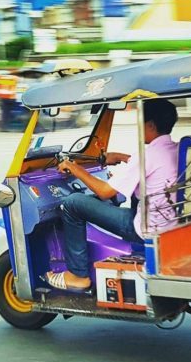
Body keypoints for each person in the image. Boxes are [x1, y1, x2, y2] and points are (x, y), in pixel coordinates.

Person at [46, 98, 179, 292]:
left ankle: (78, 275)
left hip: (144, 227)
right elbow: (148, 166)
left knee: (72, 203)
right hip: (169, 222)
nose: (139, 129)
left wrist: (73, 167)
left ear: (150, 125)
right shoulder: (173, 149)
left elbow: (105, 191)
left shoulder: (147, 155)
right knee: (106, 199)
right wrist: (120, 157)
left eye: (140, 124)